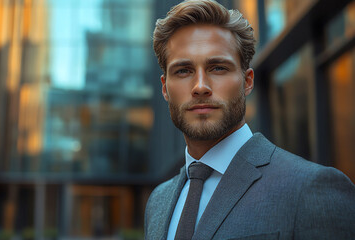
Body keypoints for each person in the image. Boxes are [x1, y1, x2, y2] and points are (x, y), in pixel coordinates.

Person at [144, 0, 355, 239]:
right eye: (183, 71)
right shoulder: (158, 202)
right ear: (164, 88)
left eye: (218, 68)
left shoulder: (311, 189)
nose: (200, 86)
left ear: (248, 81)